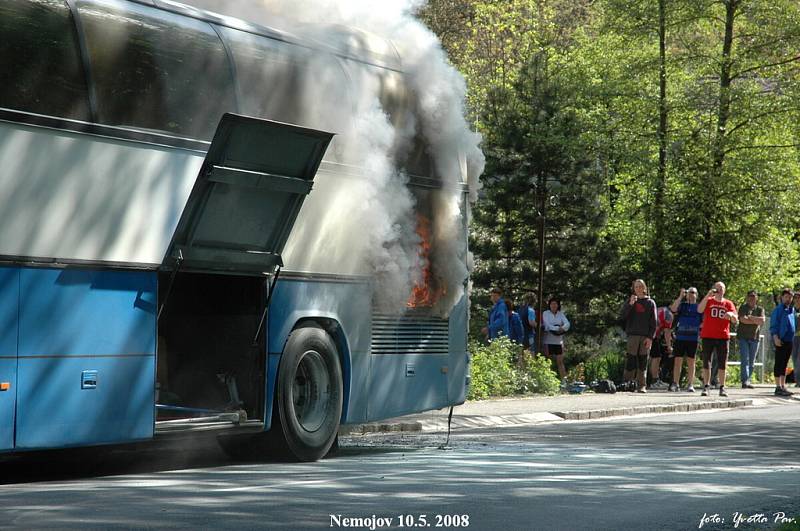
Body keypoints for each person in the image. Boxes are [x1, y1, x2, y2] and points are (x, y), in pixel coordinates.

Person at [697, 281, 738, 397]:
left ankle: (722, 386)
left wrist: (731, 315)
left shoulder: (728, 304)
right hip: (708, 335)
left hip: (722, 336)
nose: (719, 289)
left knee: (722, 363)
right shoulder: (709, 301)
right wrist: (707, 296)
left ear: (724, 290)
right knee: (706, 362)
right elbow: (699, 310)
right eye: (717, 287)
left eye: (721, 288)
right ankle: (706, 386)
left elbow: (736, 319)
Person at [619, 279, 657, 393]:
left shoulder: (650, 303)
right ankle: (626, 384)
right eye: (636, 287)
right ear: (634, 289)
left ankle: (642, 385)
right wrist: (630, 304)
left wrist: (650, 337)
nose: (639, 288)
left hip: (645, 336)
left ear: (644, 288)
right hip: (632, 335)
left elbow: (654, 322)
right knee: (630, 360)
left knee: (643, 361)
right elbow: (623, 316)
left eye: (641, 286)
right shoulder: (630, 301)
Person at [669, 287, 702, 392]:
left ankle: (690, 384)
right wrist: (680, 297)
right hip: (680, 337)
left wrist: (698, 330)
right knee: (678, 360)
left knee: (691, 361)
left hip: (692, 338)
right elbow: (673, 309)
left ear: (696, 295)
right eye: (689, 292)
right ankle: (675, 383)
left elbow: (703, 321)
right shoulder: (682, 305)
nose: (691, 294)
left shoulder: (699, 307)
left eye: (693, 293)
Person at [769, 288, 795, 396]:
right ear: (782, 297)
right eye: (786, 297)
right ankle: (777, 386)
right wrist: (775, 337)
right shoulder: (778, 310)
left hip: (789, 340)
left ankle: (783, 386)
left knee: (784, 364)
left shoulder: (791, 310)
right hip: (780, 339)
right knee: (779, 363)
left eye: (790, 297)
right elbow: (774, 325)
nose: (788, 299)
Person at [737, 290, 765, 389]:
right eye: (750, 296)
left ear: (757, 298)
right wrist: (755, 320)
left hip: (755, 337)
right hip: (743, 337)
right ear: (747, 297)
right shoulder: (743, 307)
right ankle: (744, 381)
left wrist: (750, 317)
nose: (752, 298)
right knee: (745, 359)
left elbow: (761, 321)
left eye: (754, 296)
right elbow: (742, 320)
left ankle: (748, 380)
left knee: (752, 361)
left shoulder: (760, 309)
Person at [542, 297, 570, 380]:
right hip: (548, 341)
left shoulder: (560, 314)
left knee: (560, 362)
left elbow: (567, 324)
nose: (553, 305)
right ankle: (548, 381)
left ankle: (564, 382)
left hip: (558, 341)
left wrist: (563, 328)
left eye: (555, 304)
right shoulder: (545, 313)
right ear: (549, 305)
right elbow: (547, 325)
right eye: (551, 304)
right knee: (548, 361)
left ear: (558, 305)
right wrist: (558, 328)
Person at [648, 306, 673, 390]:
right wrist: (669, 346)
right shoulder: (669, 315)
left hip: (649, 333)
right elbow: (667, 332)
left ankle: (650, 379)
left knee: (651, 357)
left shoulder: (662, 309)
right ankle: (654, 381)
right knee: (657, 357)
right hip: (651, 334)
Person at [791, 292, 800, 388]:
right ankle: (797, 380)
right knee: (794, 358)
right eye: (795, 298)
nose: (797, 300)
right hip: (793, 337)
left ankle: (799, 381)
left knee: (799, 359)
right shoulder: (791, 309)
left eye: (798, 298)